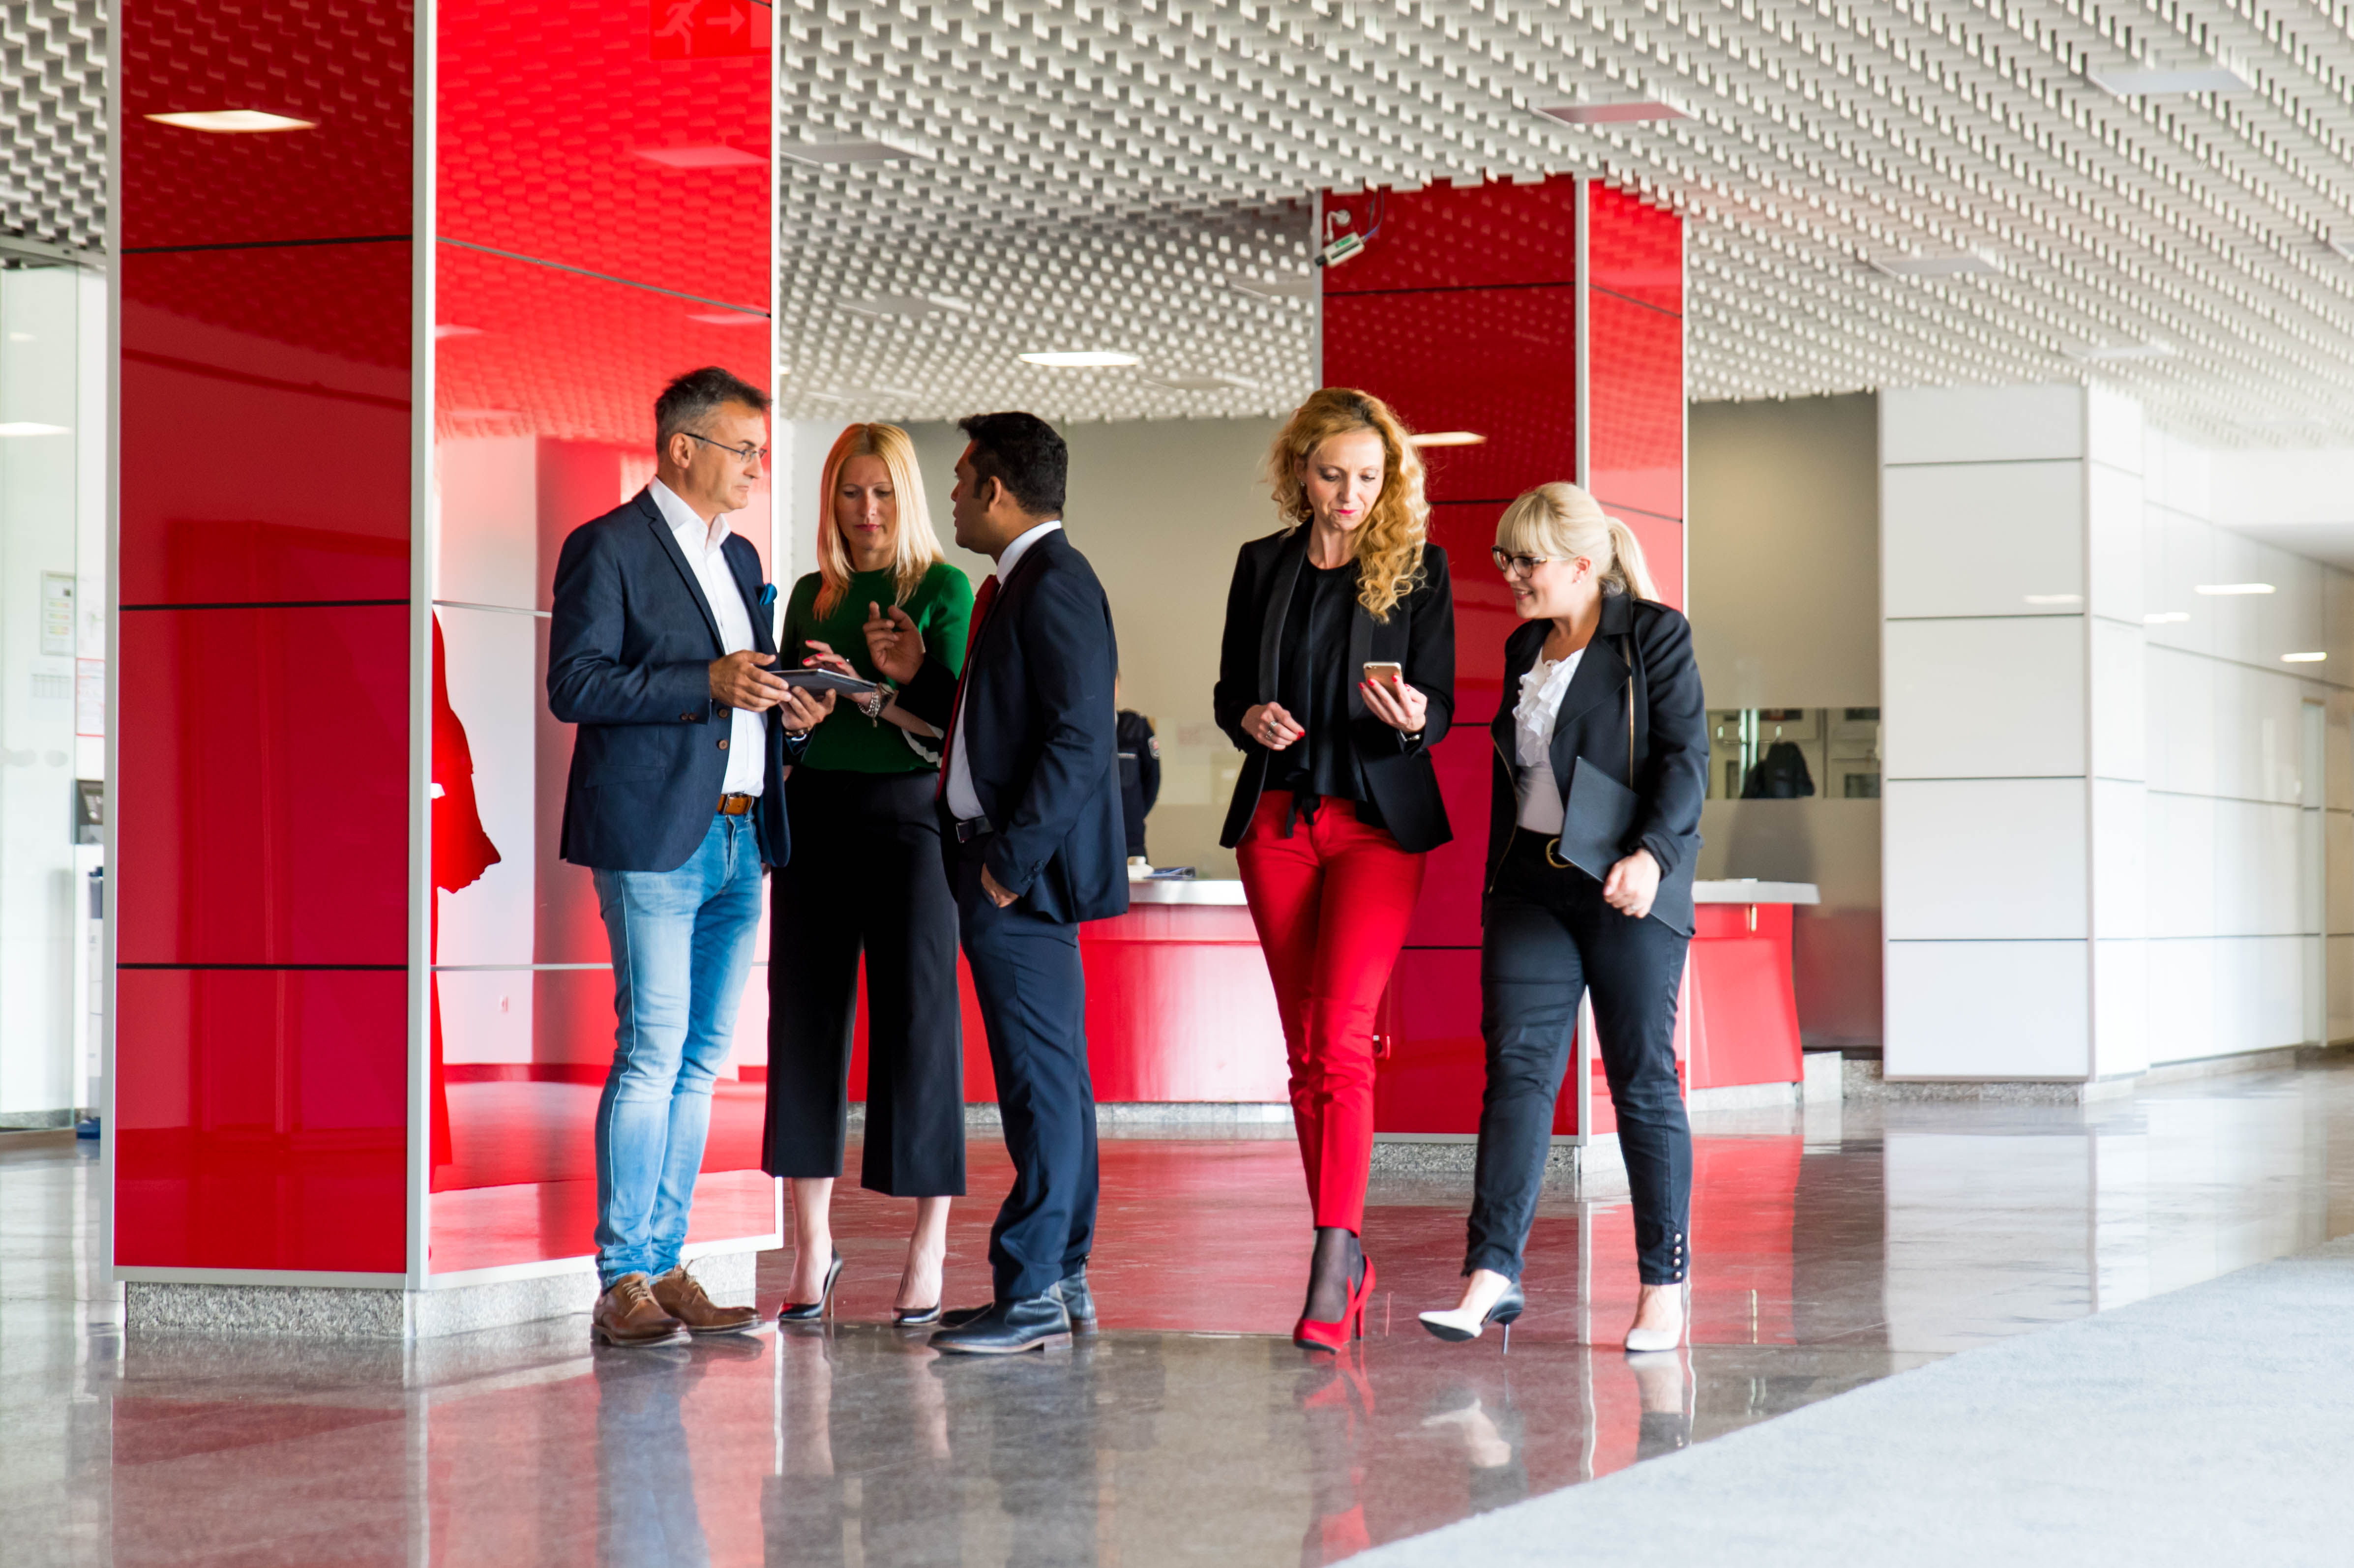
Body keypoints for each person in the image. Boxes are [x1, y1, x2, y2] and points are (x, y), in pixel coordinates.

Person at [548, 365, 835, 1347]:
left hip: (741, 832)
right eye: (742, 447)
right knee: (651, 1050)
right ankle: (620, 1273)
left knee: (702, 1058)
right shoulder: (608, 548)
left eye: (759, 449)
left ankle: (666, 1264)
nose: (757, 464)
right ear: (682, 449)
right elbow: (575, 683)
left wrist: (792, 706)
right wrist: (703, 678)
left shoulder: (740, 553)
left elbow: (738, 696)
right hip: (654, 838)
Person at [1416, 481, 1705, 1353]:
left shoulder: (1652, 633)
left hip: (1628, 883)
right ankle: (1490, 1274)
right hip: (1531, 885)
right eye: (1505, 558)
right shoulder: (1521, 648)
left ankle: (1663, 1285)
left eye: (1527, 560)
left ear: (1583, 566)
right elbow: (1525, 778)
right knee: (1515, 1076)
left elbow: (1684, 758)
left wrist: (1651, 855)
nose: (1510, 574)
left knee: (1641, 1080)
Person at [861, 411, 1127, 1355]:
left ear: (998, 492)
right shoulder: (1023, 584)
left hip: (1019, 874)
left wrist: (1010, 864)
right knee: (1047, 1082)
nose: (952, 496)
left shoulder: (1052, 583)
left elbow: (1080, 739)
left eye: (963, 478)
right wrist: (917, 680)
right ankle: (1057, 1272)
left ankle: (1032, 1291)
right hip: (999, 863)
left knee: (1040, 1084)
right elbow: (998, 724)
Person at [1211, 386, 1456, 1351]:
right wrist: (1248, 717)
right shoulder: (1259, 565)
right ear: (1298, 474)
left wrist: (1412, 716)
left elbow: (1433, 703)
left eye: (1366, 476)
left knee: (1340, 1037)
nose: (1349, 494)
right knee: (1303, 1047)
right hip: (1275, 819)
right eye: (1330, 475)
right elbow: (1233, 682)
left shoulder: (1418, 570)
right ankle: (1342, 1248)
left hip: (1374, 828)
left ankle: (1331, 1251)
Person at [763, 422, 975, 1326]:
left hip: (912, 821)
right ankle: (812, 1244)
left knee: (920, 1022)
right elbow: (787, 729)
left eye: (883, 492)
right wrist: (806, 716)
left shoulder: (942, 587)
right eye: (851, 492)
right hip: (816, 814)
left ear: (907, 498)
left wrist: (890, 689)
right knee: (804, 1022)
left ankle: (929, 1243)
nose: (867, 510)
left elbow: (961, 727)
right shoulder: (813, 593)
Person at [1115, 679, 1160, 863]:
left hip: (1130, 843)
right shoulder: (1077, 728)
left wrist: (1133, 815)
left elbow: (1152, 782)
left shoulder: (1136, 727)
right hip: (1088, 842)